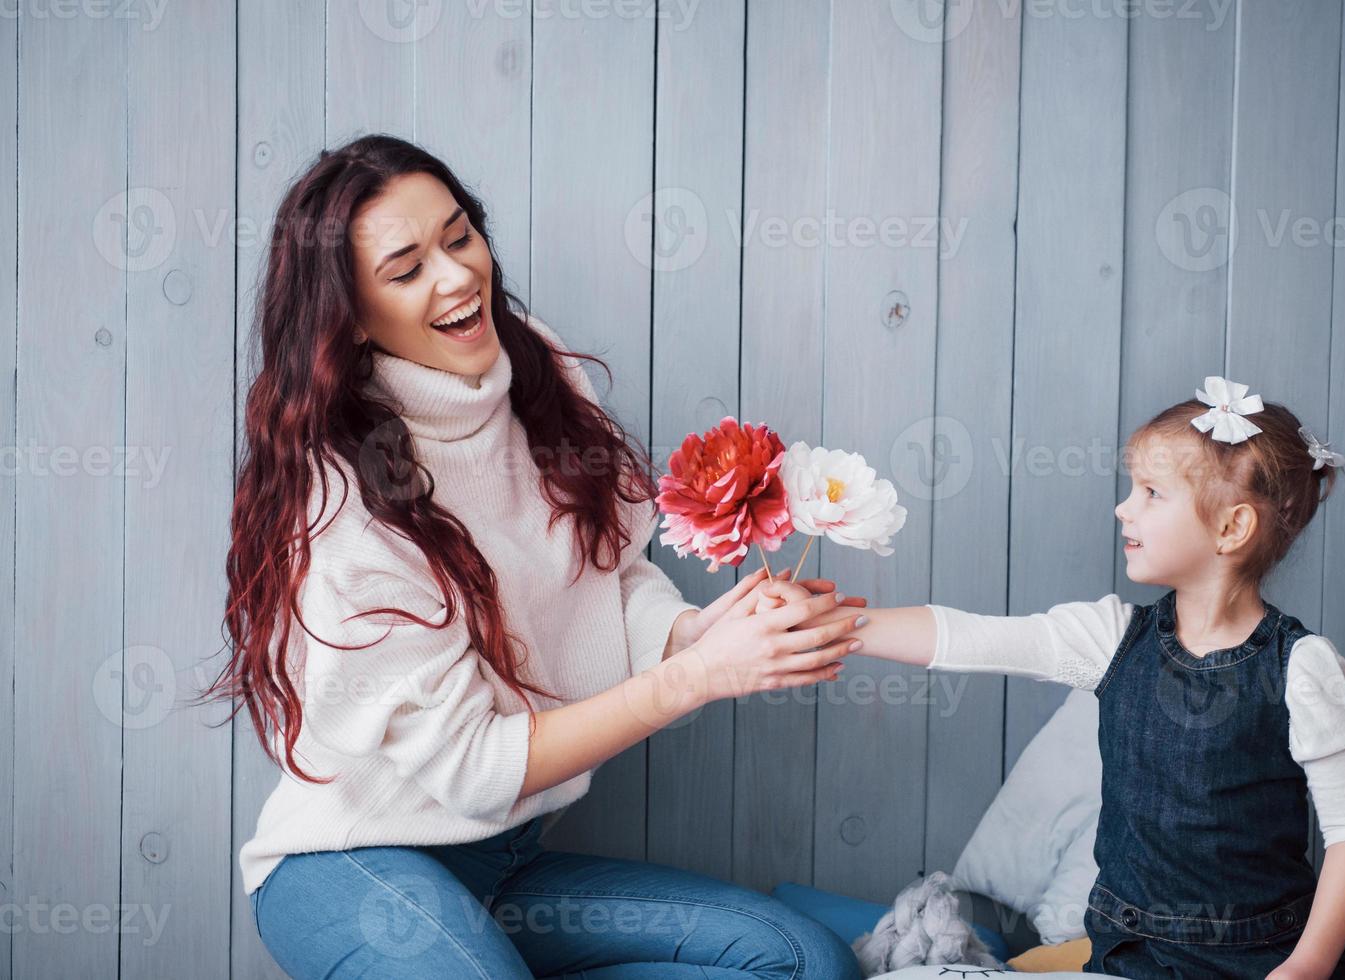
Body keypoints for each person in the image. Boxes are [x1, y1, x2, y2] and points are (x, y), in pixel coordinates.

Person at [200, 134, 865, 979]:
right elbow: (477, 767)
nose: (456, 277)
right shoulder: (344, 500)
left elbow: (611, 578)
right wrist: (694, 678)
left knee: (808, 961)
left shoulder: (536, 372)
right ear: (353, 318)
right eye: (406, 270)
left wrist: (699, 635)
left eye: (459, 235)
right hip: (355, 862)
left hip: (507, 862)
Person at [772, 377, 1345, 979]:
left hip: (1268, 957)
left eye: (1151, 493)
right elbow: (972, 635)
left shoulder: (1302, 665)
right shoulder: (1110, 637)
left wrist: (1308, 966)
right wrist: (829, 621)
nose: (1123, 508)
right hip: (1134, 959)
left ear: (1231, 527)